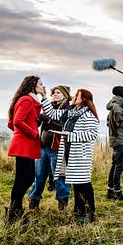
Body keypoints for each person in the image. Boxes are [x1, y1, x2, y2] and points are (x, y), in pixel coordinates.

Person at [41, 89, 100, 224]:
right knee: (76, 184)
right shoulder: (70, 112)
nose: (73, 97)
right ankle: (78, 212)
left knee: (83, 184)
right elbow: (51, 113)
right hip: (69, 153)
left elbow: (92, 134)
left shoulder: (88, 115)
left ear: (84, 99)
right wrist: (44, 97)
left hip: (81, 155)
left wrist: (70, 136)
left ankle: (89, 213)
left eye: (77, 95)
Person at [5, 75, 44, 223]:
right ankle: (14, 213)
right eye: (40, 84)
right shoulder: (27, 100)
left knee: (29, 177)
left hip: (25, 143)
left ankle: (15, 209)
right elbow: (17, 122)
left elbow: (12, 124)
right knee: (22, 179)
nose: (43, 87)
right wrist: (33, 133)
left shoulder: (26, 99)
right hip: (24, 145)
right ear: (33, 85)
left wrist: (37, 122)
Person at [28, 85, 71, 211]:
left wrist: (49, 120)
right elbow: (40, 124)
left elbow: (64, 127)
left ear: (65, 95)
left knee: (59, 177)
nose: (55, 94)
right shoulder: (49, 107)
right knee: (39, 176)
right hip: (43, 147)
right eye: (53, 93)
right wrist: (38, 120)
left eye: (58, 92)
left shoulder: (68, 109)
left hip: (57, 148)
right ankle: (34, 201)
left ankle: (63, 204)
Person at [106, 86, 123, 201]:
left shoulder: (113, 106)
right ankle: (117, 193)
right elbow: (119, 123)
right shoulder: (117, 107)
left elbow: (110, 123)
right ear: (122, 95)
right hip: (119, 140)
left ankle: (110, 191)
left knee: (114, 165)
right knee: (118, 167)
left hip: (115, 138)